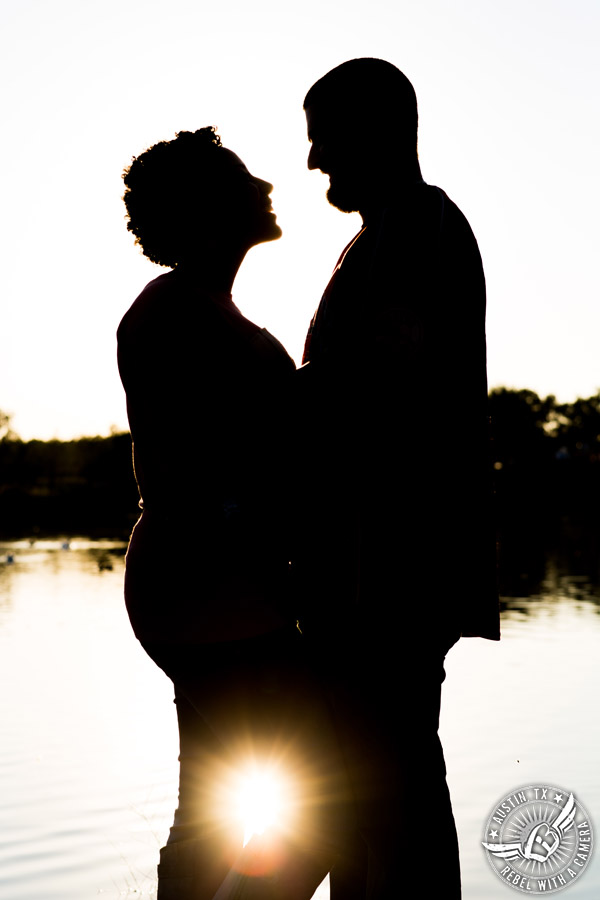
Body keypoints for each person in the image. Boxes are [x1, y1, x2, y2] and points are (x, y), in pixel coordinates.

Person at [117, 127, 343, 900]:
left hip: (216, 589)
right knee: (337, 791)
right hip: (210, 592)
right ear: (210, 209)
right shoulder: (174, 316)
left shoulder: (206, 307)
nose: (268, 185)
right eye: (246, 177)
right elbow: (196, 474)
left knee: (208, 811)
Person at [294, 58, 500, 898]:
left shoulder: (419, 233)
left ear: (381, 130)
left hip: (390, 572)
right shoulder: (379, 238)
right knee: (372, 799)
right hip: (365, 572)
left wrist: (264, 389)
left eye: (325, 138)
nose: (313, 161)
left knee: (395, 797)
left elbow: (374, 387)